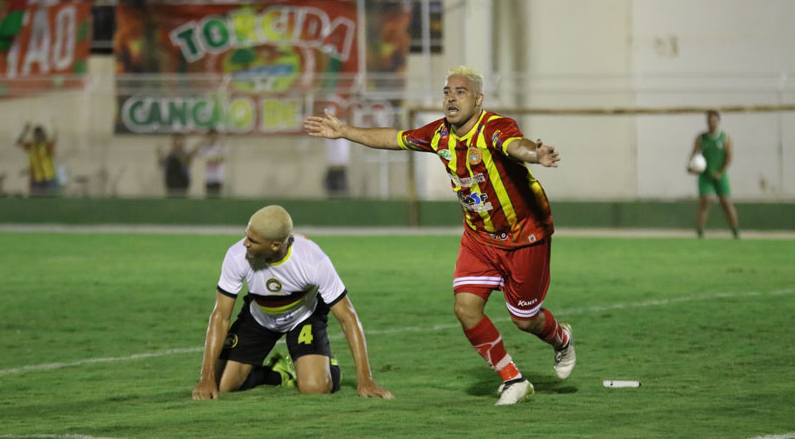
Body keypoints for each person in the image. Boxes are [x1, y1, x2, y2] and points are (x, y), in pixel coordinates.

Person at [304, 65, 575, 406]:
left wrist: (535, 154)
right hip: (479, 238)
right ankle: (512, 379)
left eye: (460, 91)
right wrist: (344, 131)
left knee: (525, 319)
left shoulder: (495, 127)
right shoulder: (439, 134)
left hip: (524, 236)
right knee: (465, 309)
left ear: (478, 99)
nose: (451, 97)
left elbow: (513, 145)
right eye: (447, 91)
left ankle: (561, 338)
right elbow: (393, 138)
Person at [192, 205, 393, 400]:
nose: (245, 243)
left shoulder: (313, 260)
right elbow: (220, 317)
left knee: (315, 388)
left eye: (252, 240)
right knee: (221, 385)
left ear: (275, 245)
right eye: (246, 235)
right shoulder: (237, 256)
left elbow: (348, 318)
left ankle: (325, 364)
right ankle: (277, 374)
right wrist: (206, 378)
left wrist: (365, 380)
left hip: (303, 317)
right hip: (260, 316)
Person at [687, 110, 740, 239]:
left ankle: (735, 231)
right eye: (709, 121)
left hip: (720, 175)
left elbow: (729, 158)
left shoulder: (725, 138)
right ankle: (700, 232)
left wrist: (720, 172)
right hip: (705, 175)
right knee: (705, 201)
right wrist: (691, 167)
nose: (711, 123)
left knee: (726, 202)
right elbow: (693, 156)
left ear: (718, 122)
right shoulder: (701, 138)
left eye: (714, 121)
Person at [16, 123, 58, 196]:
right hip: (35, 179)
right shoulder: (31, 146)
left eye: (40, 134)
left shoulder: (48, 145)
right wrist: (25, 131)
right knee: (35, 203)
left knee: (50, 202)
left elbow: (53, 146)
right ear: (34, 136)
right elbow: (18, 142)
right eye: (37, 135)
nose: (39, 136)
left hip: (49, 178)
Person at [157, 133, 195, 197]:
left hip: (182, 182)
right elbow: (161, 165)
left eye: (179, 140)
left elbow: (185, 162)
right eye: (175, 140)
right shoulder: (169, 154)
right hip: (170, 182)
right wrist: (160, 155)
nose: (177, 143)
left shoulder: (185, 153)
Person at [194, 128, 226, 197]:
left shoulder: (220, 147)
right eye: (211, 136)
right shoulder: (205, 148)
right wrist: (200, 143)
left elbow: (221, 158)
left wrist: (211, 159)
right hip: (208, 179)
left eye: (214, 136)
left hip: (218, 178)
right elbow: (195, 153)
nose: (213, 138)